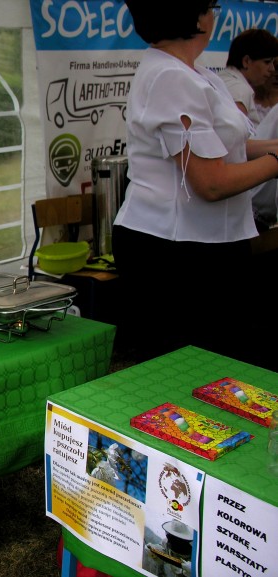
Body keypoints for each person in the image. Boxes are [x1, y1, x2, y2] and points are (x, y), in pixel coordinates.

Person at [112, 0, 278, 368]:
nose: (214, 16)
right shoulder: (171, 78)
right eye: (212, 6)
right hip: (174, 251)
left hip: (205, 244)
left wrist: (273, 148)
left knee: (217, 370)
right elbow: (210, 182)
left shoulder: (197, 73)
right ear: (196, 17)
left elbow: (227, 147)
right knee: (189, 373)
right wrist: (275, 164)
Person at [217, 28, 278, 127]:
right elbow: (234, 135)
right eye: (267, 62)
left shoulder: (220, 79)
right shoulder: (240, 91)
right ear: (246, 61)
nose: (272, 69)